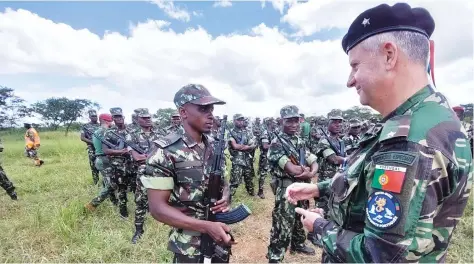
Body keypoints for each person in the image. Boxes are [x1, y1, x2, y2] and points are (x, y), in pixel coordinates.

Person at [286, 3, 473, 263]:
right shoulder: (427, 117)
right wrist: (319, 188)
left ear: (389, 55)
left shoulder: (409, 142)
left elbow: (380, 255)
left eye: (355, 65)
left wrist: (319, 227)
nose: (350, 80)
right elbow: (366, 178)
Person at [140, 84, 234, 263]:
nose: (211, 115)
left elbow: (225, 180)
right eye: (203, 109)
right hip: (188, 247)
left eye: (211, 109)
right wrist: (205, 227)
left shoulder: (214, 146)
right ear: (183, 112)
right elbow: (158, 209)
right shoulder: (165, 151)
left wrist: (225, 195)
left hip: (219, 235)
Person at [266, 105, 317, 263]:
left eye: (296, 121)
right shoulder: (276, 142)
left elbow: (313, 160)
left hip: (301, 185)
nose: (294, 124)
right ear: (282, 121)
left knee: (300, 215)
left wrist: (312, 172)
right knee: (283, 221)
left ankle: (298, 243)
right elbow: (291, 168)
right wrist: (306, 171)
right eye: (290, 121)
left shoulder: (299, 140)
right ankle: (275, 255)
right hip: (286, 187)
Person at [84, 113, 119, 212]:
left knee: (107, 182)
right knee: (111, 184)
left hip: (99, 159)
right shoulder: (106, 132)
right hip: (105, 160)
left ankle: (114, 202)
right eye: (111, 121)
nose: (112, 122)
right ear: (107, 121)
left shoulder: (96, 132)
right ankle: (92, 204)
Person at [80, 110, 100, 185]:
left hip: (102, 148)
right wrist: (94, 143)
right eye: (93, 116)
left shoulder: (100, 125)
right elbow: (82, 138)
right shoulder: (85, 126)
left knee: (103, 165)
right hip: (92, 148)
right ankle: (96, 183)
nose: (95, 117)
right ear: (89, 117)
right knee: (93, 166)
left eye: (95, 116)